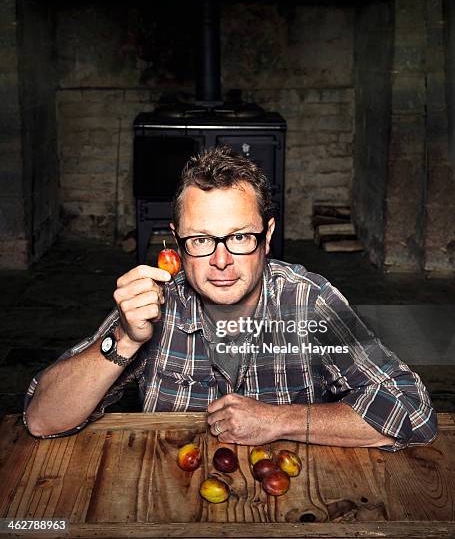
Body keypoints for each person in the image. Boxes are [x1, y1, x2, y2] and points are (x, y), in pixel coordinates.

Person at [24, 146, 438, 451]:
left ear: (268, 236)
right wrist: (126, 339)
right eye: (202, 240)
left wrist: (278, 420)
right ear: (177, 241)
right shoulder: (157, 301)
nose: (221, 260)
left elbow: (412, 409)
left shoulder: (308, 301)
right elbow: (42, 419)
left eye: (240, 237)